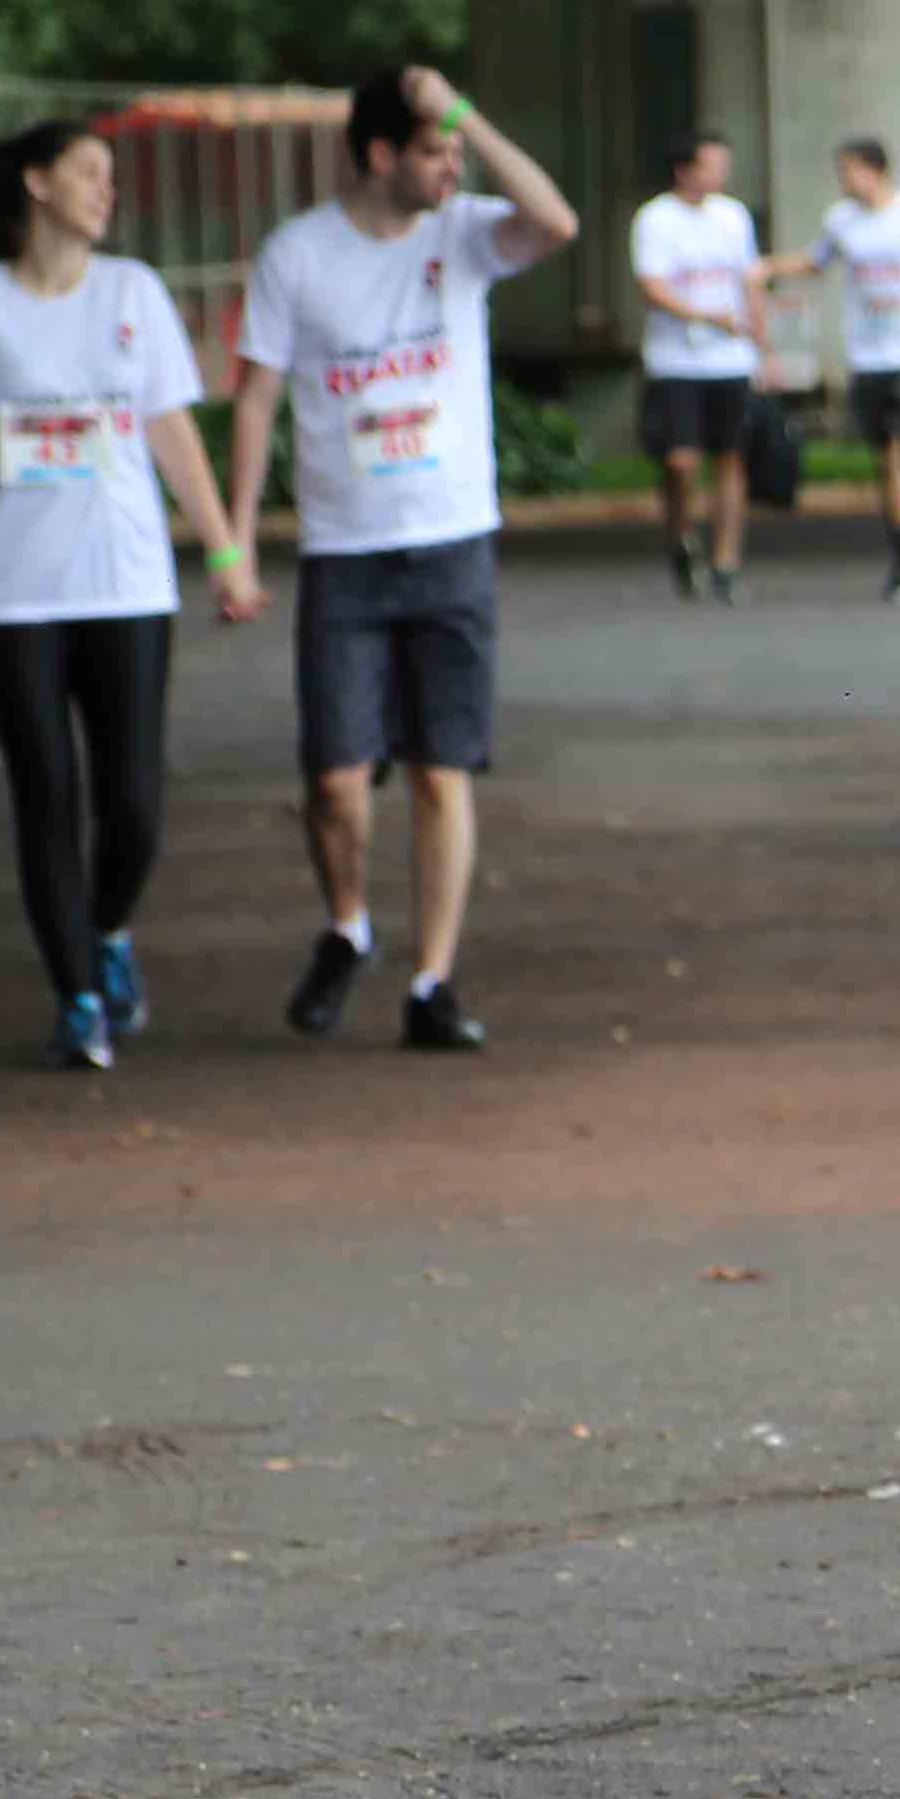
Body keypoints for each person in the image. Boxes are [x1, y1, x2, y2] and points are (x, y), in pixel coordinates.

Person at [225, 60, 577, 1058]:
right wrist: (237, 541)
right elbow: (254, 396)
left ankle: (432, 980)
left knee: (441, 771)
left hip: (452, 536)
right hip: (346, 549)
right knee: (337, 780)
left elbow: (557, 222)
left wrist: (464, 106)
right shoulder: (297, 256)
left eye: (456, 148)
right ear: (380, 155)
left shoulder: (464, 238)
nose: (452, 163)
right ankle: (347, 925)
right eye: (433, 149)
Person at [0, 117, 260, 1071]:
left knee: (133, 804)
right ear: (37, 185)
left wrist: (224, 553)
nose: (108, 190)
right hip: (11, 594)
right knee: (49, 794)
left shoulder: (133, 294)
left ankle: (104, 932)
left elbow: (173, 434)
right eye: (90, 173)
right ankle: (79, 999)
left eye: (109, 177)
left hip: (127, 583)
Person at [798, 136, 900, 603]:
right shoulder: (841, 220)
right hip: (868, 354)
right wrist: (763, 268)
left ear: (876, 171)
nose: (844, 182)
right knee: (886, 456)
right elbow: (815, 262)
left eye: (849, 171)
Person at [631, 133, 766, 604]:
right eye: (711, 166)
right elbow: (652, 286)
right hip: (675, 360)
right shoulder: (654, 219)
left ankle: (726, 562)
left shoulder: (733, 216)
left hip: (730, 360)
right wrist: (708, 317)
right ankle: (681, 539)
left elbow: (749, 282)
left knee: (730, 458)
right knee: (680, 461)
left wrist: (762, 346)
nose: (721, 175)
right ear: (684, 170)